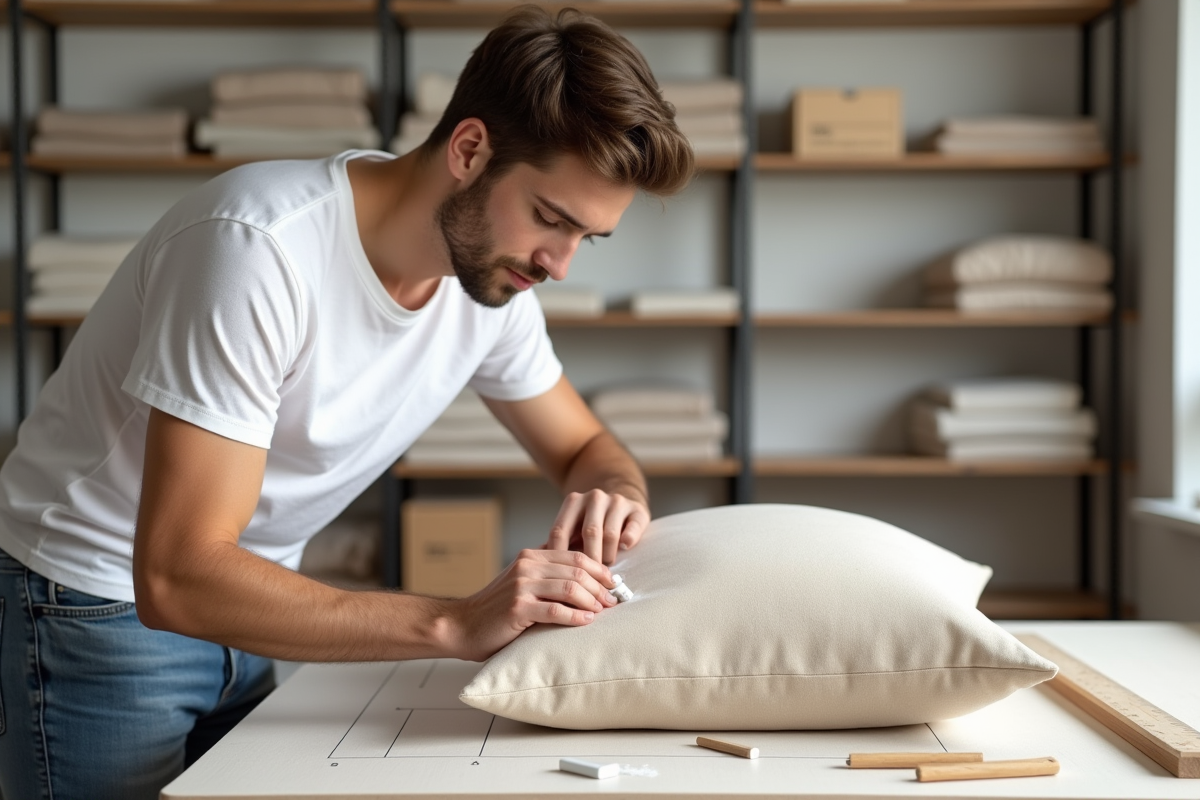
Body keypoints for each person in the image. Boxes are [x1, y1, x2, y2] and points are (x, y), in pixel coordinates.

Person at [0, 7, 694, 798]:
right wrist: (455, 623)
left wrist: (615, 495)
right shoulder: (258, 249)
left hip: (249, 598)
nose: (561, 264)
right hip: (95, 601)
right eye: (551, 219)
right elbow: (176, 576)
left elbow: (584, 451)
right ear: (470, 149)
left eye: (587, 239)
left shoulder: (491, 288)